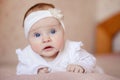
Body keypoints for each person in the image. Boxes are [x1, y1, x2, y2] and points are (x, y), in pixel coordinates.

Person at [16, 3, 103, 75]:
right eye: (37, 35)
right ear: (28, 39)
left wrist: (80, 66)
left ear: (63, 32)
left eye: (53, 31)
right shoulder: (28, 55)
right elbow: (20, 71)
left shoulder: (71, 49)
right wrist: (35, 71)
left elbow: (90, 60)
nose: (46, 39)